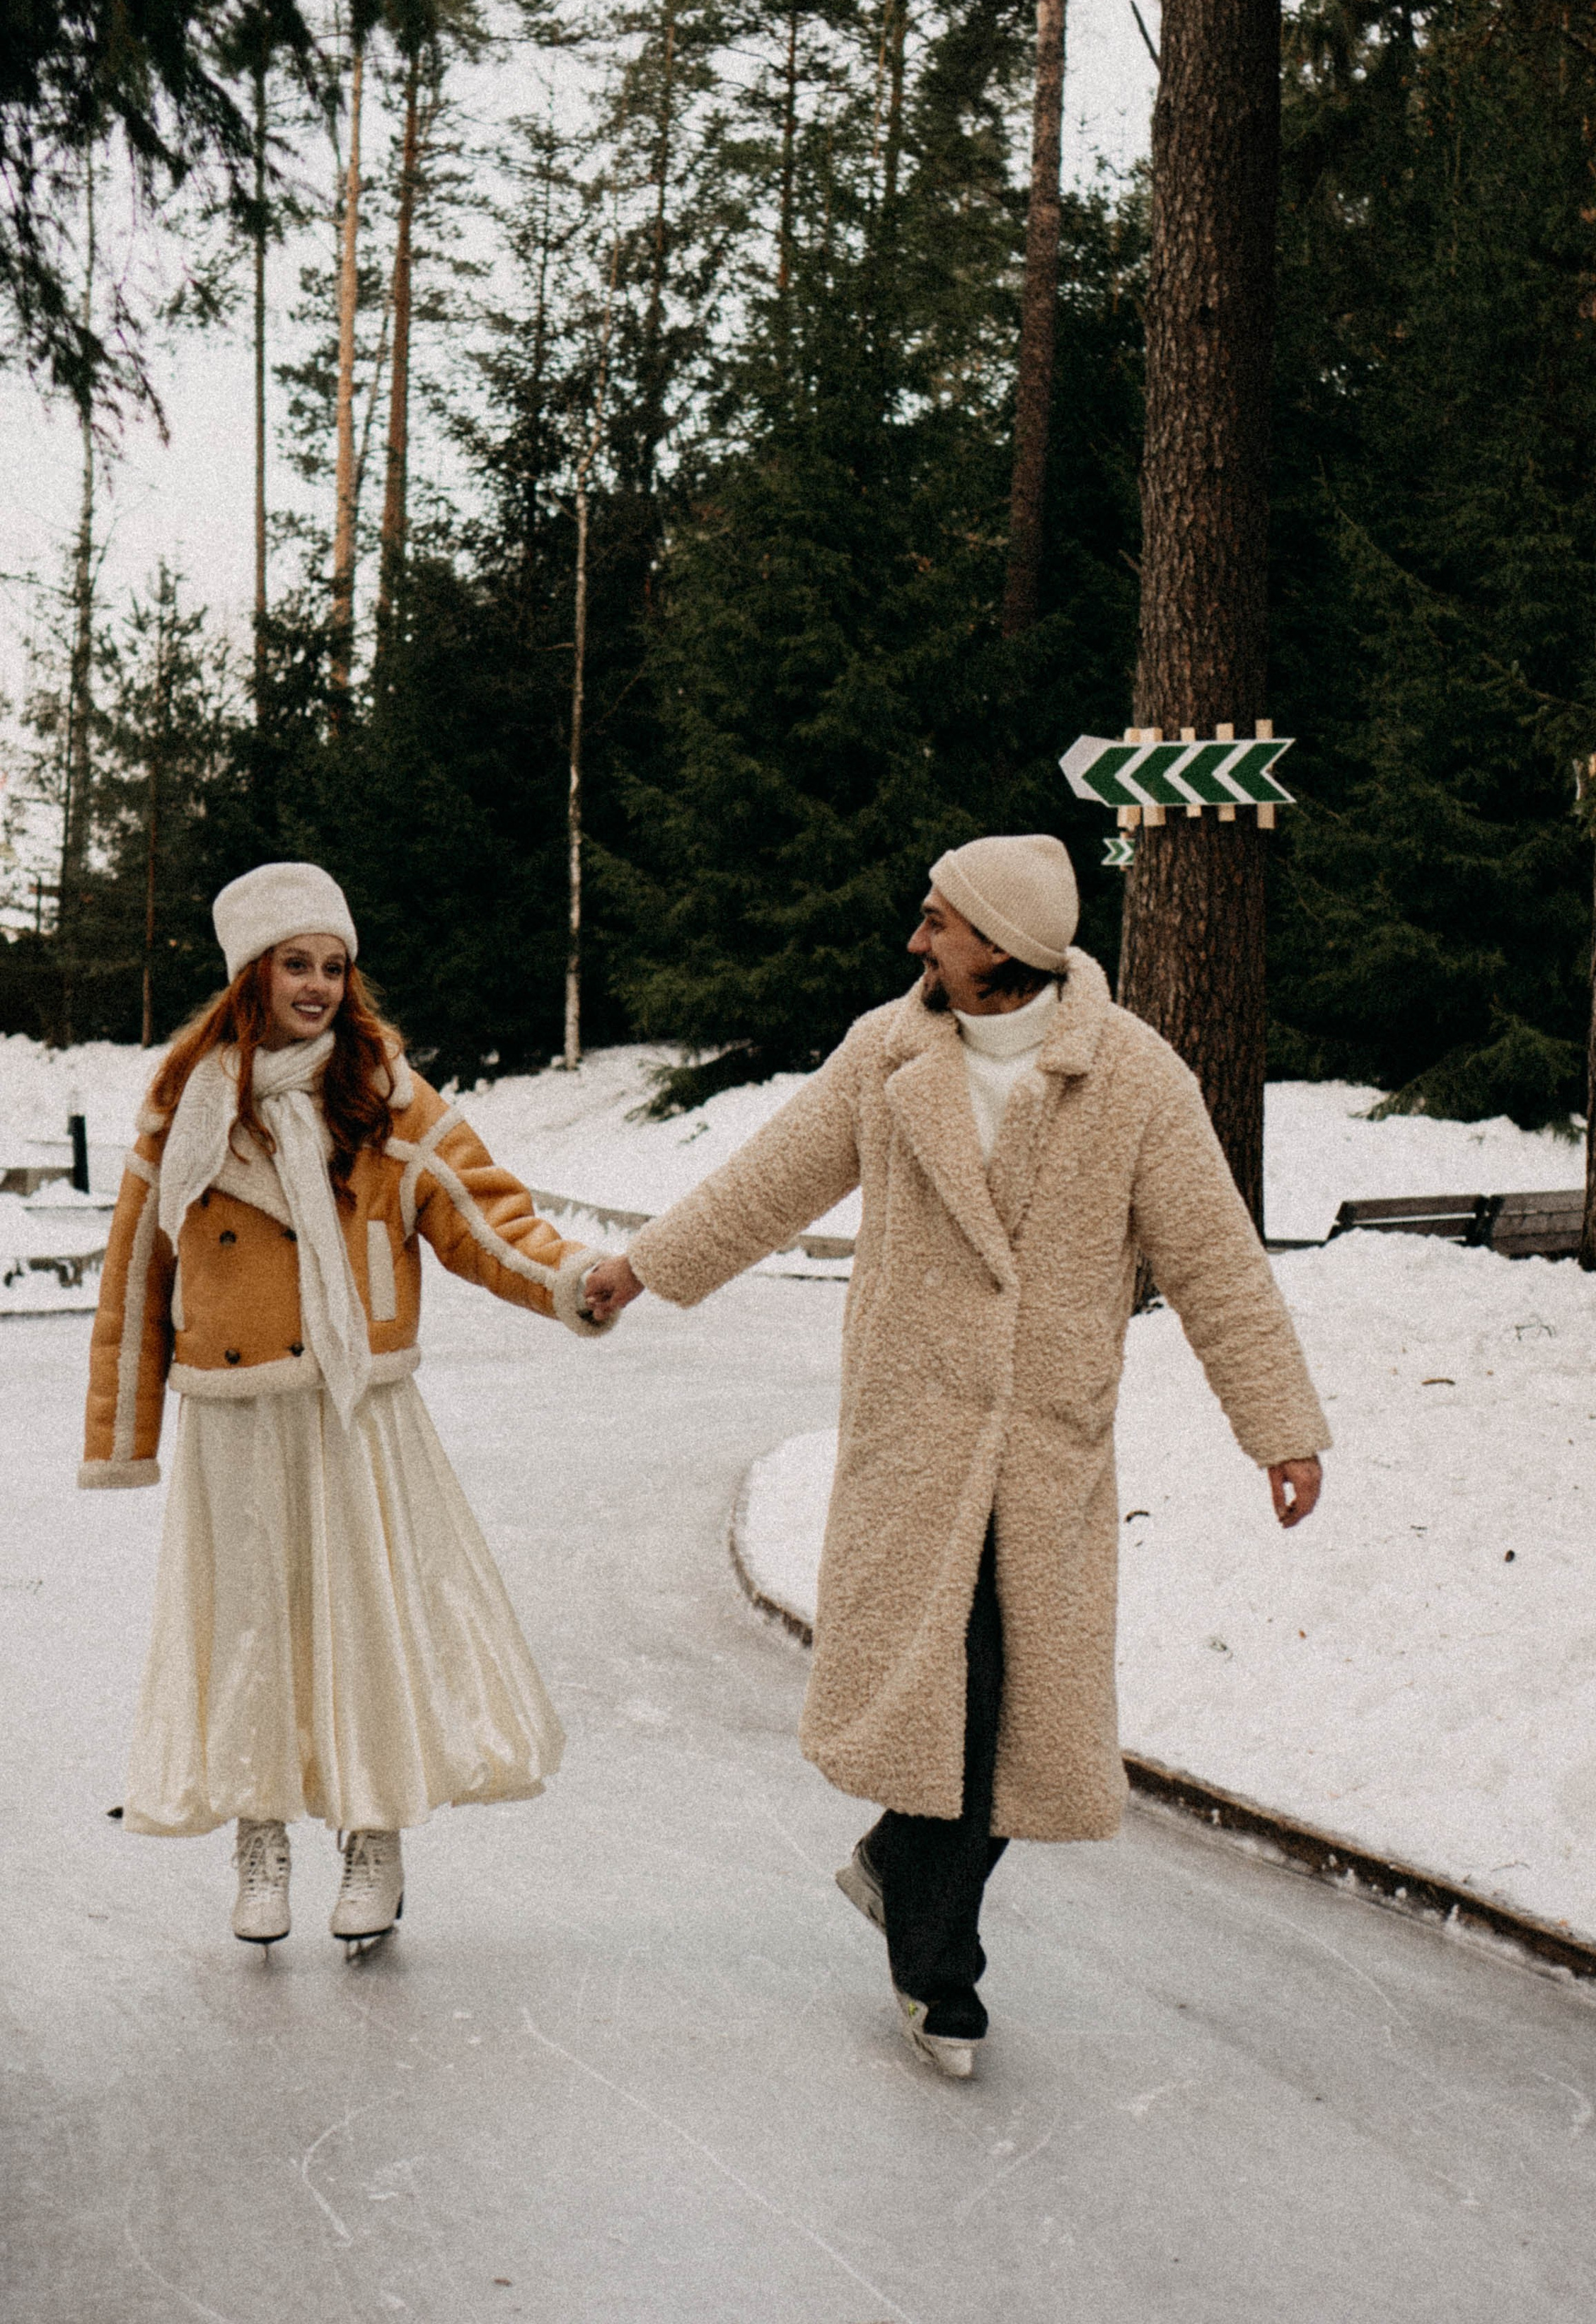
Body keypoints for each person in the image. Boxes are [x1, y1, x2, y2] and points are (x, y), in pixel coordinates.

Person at [583, 833, 1329, 2079]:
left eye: (939, 921)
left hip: (1046, 1450)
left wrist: (1282, 1426)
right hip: (915, 1440)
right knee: (958, 1697)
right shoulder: (892, 1052)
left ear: (1006, 947)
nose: (915, 940)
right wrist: (644, 1266)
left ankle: (894, 1867)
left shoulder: (1136, 1081)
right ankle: (940, 1972)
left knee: (1024, 1713)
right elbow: (774, 1179)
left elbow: (1214, 1261)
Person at [81, 863, 612, 1953]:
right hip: (234, 1410)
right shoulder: (185, 1108)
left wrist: (566, 1279)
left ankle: (374, 1836)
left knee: (366, 1622)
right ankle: (260, 1832)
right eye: (296, 964)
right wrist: (123, 1436)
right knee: (249, 1632)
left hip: (352, 1407)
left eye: (334, 966)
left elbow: (480, 1214)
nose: (318, 987)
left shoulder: (384, 1094)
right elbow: (136, 1273)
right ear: (251, 976)